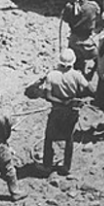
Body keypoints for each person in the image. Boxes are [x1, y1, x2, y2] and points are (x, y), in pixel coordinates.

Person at [40, 48, 92, 176]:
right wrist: (81, 99)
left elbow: (47, 95)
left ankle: (47, 166)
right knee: (69, 138)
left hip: (57, 110)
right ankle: (66, 167)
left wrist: (61, 102)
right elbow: (90, 89)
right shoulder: (76, 75)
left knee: (49, 138)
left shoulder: (52, 75)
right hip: (71, 111)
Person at [61, 0, 101, 76]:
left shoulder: (69, 6)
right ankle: (92, 73)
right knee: (99, 57)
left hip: (74, 39)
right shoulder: (93, 6)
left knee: (76, 61)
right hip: (87, 39)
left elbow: (65, 19)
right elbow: (98, 17)